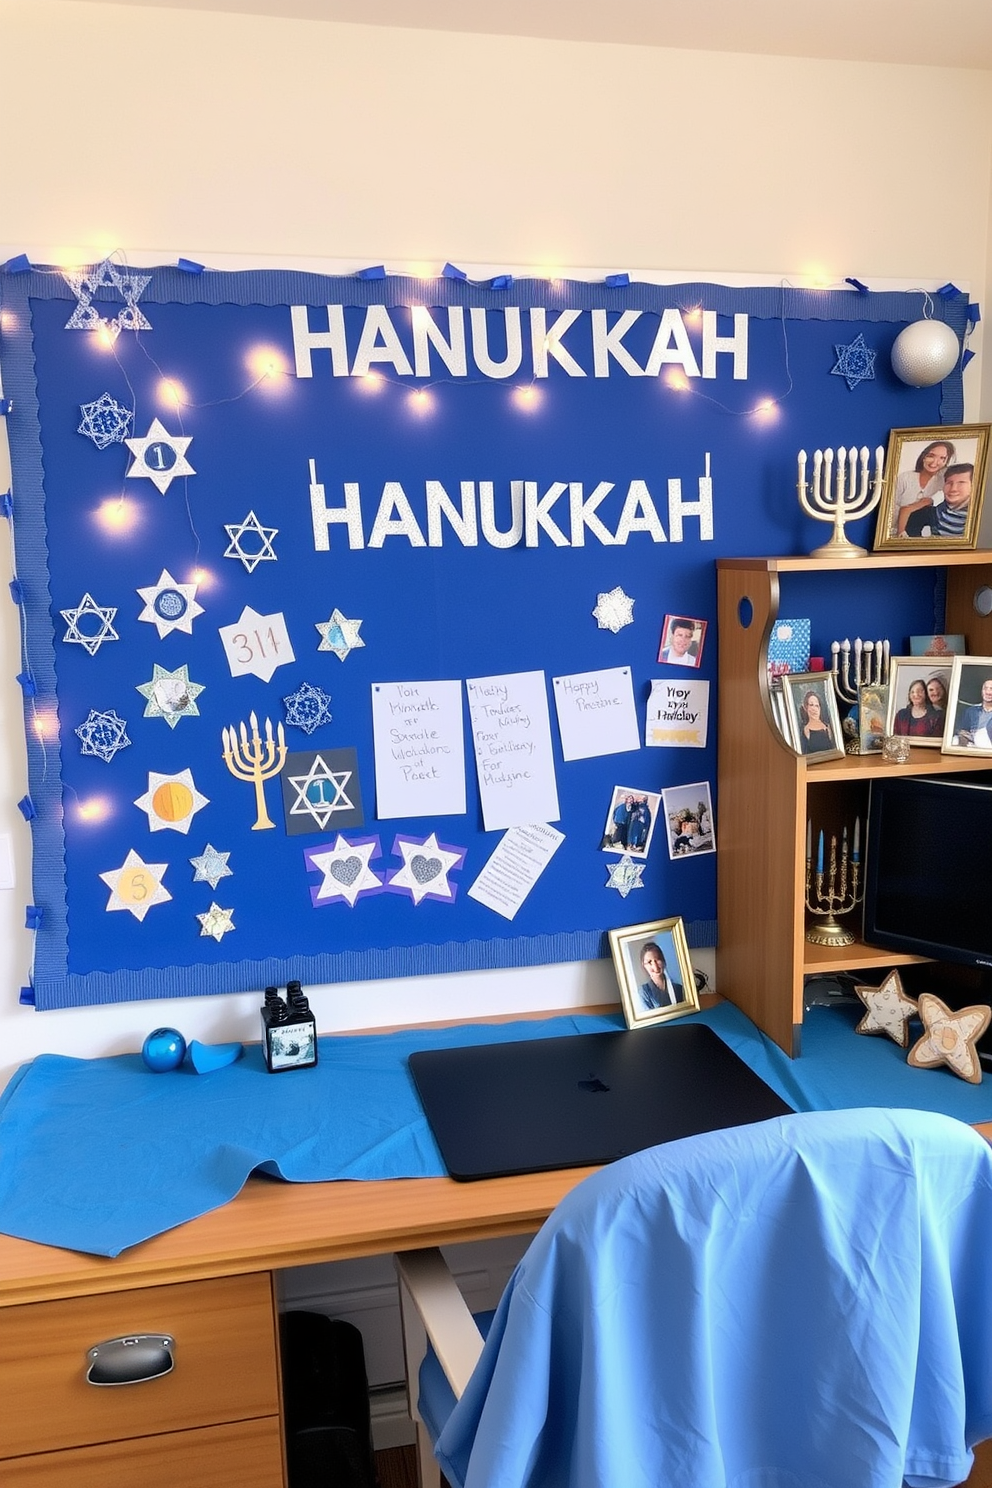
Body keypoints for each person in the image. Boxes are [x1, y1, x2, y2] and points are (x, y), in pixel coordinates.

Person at [891, 440, 954, 536]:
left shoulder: (943, 482)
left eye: (942, 458)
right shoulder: (906, 477)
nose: (935, 462)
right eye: (931, 456)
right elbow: (893, 506)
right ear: (924, 457)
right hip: (892, 532)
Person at [903, 464, 974, 540]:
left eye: (961, 483)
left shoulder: (979, 517)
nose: (953, 488)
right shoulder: (929, 514)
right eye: (949, 483)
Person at [636, 941, 684, 1011]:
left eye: (657, 959)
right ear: (644, 966)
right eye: (649, 962)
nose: (655, 966)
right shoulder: (643, 992)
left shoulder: (678, 988)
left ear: (663, 961)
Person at [955, 676, 992, 748]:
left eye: (991, 689)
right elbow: (963, 732)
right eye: (985, 688)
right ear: (982, 691)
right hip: (972, 745)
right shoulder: (971, 711)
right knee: (955, 740)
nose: (988, 692)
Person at [798, 689, 835, 754]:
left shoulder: (828, 727)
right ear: (806, 708)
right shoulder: (804, 730)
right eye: (811, 705)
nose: (814, 709)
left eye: (817, 705)